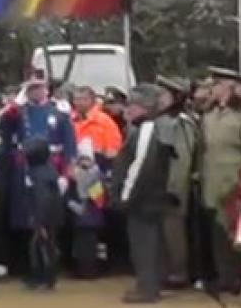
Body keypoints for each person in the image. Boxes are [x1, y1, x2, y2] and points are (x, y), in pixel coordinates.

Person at [0, 76, 77, 271]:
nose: (35, 92)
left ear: (46, 90)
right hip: (25, 167)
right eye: (31, 89)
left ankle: (50, 264)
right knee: (26, 216)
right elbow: (3, 122)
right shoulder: (20, 112)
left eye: (38, 88)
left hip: (51, 167)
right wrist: (18, 100)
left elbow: (70, 143)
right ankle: (29, 264)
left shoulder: (59, 112)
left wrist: (67, 173)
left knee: (49, 218)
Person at [199, 67, 241, 294]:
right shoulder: (210, 114)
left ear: (230, 87)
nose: (213, 89)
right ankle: (224, 276)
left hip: (235, 182)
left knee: (236, 232)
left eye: (217, 85)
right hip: (212, 181)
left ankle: (239, 277)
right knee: (218, 232)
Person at [113, 84, 175, 304]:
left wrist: (125, 195)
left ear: (145, 107)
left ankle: (147, 289)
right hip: (150, 196)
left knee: (144, 244)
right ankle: (150, 285)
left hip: (143, 198)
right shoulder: (148, 126)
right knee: (151, 242)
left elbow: (140, 165)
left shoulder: (148, 128)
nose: (127, 109)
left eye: (133, 105)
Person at [154, 76, 198, 289]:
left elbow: (183, 159)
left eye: (164, 94)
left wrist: (174, 188)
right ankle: (166, 270)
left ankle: (179, 272)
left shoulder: (181, 122)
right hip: (158, 182)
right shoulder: (160, 120)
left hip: (173, 185)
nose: (159, 98)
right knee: (163, 230)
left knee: (174, 230)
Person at [23, 137, 63, 290]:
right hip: (52, 214)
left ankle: (43, 278)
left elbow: (42, 198)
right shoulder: (48, 169)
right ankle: (47, 278)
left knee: (40, 247)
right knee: (46, 246)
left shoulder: (38, 173)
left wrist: (40, 222)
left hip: (45, 216)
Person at [67, 138, 107, 279]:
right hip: (80, 218)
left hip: (91, 218)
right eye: (82, 159)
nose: (84, 162)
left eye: (87, 159)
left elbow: (99, 199)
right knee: (80, 246)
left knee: (91, 246)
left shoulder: (95, 175)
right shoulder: (74, 176)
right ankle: (82, 269)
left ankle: (91, 270)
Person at [71, 87, 124, 160]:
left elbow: (114, 150)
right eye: (77, 99)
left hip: (97, 165)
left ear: (93, 101)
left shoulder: (105, 121)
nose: (79, 102)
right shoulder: (69, 119)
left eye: (84, 99)